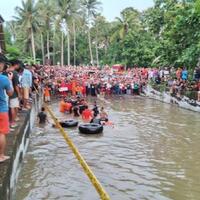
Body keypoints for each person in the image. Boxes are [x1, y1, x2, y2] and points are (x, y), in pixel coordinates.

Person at [0, 54, 14, 163]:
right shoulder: (3, 79)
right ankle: (1, 156)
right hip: (1, 110)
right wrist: (10, 80)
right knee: (1, 134)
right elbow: (10, 93)